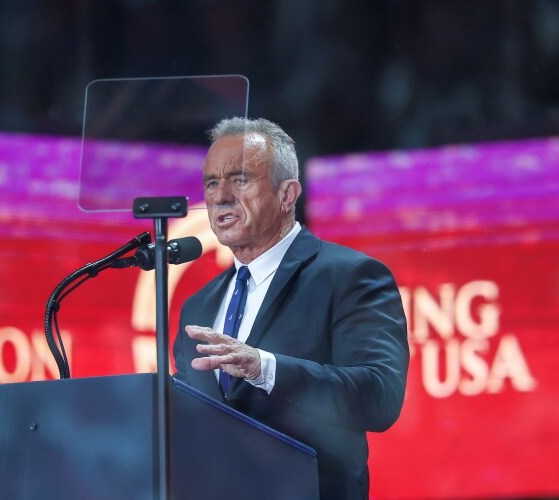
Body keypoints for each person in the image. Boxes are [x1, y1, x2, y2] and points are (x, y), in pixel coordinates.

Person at [173, 117, 409, 499]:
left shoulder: (350, 276)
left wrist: (264, 368)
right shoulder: (197, 306)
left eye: (239, 179)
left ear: (287, 195)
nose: (220, 196)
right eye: (212, 183)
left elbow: (380, 397)